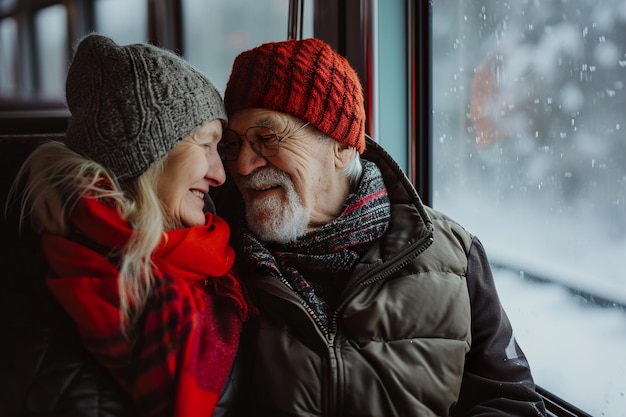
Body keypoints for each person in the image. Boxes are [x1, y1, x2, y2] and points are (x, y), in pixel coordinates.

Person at [214, 38, 548, 416]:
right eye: (232, 145)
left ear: (341, 145)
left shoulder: (454, 256)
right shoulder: (217, 263)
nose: (241, 166)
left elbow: (511, 403)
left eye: (267, 138)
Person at [2, 34, 252, 417]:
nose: (220, 174)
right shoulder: (29, 280)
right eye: (205, 146)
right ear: (146, 153)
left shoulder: (221, 263)